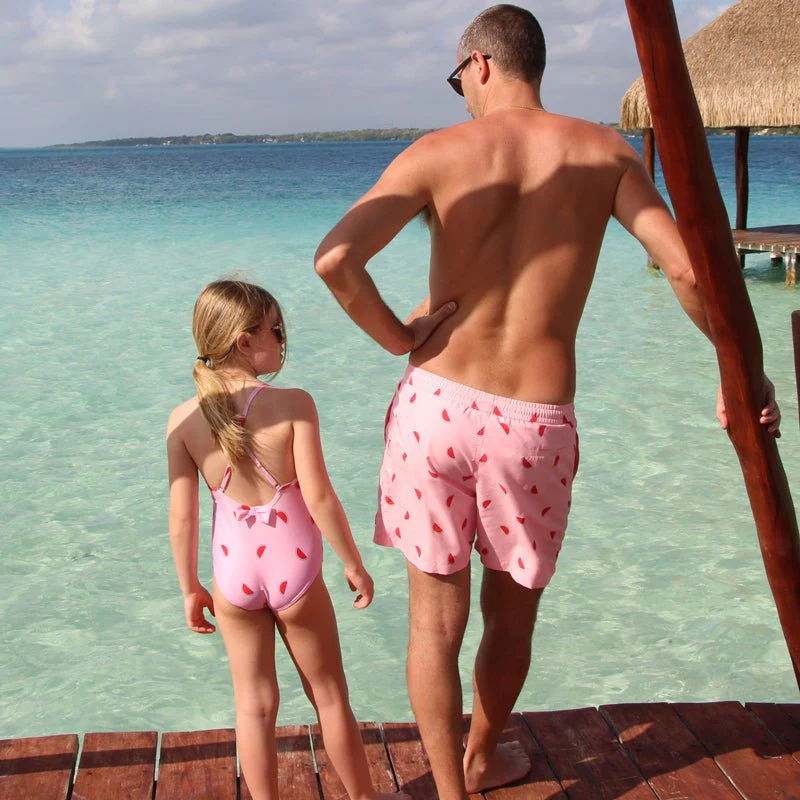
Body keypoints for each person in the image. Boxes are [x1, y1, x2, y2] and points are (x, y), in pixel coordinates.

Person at [313, 5, 781, 799]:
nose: (462, 93)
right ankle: (482, 757)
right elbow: (687, 271)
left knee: (433, 622)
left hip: (434, 406)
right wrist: (743, 370)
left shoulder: (436, 154)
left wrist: (400, 337)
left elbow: (335, 260)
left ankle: (449, 791)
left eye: (458, 78)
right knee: (511, 616)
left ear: (482, 64)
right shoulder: (604, 153)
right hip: (531, 424)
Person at [166, 280, 408, 800]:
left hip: (232, 577)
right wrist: (352, 562)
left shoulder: (182, 421)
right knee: (329, 697)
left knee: (253, 707)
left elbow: (182, 518)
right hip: (292, 571)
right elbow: (319, 497)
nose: (283, 340)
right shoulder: (294, 404)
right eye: (276, 330)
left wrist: (189, 587)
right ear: (245, 341)